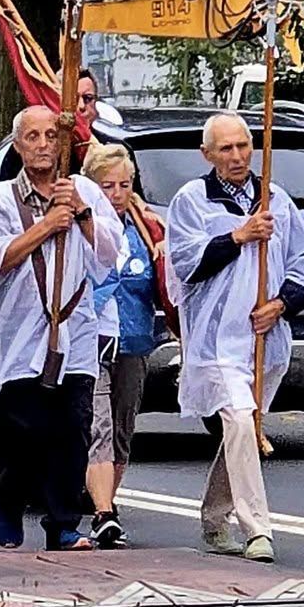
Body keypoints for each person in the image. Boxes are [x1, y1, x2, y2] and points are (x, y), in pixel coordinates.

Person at [0, 106, 120, 551]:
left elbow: (110, 252)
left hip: (76, 329)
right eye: (33, 136)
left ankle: (64, 523)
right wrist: (47, 225)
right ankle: (9, 502)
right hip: (19, 333)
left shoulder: (81, 190)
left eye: (51, 135)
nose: (44, 144)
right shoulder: (0, 200)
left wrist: (82, 214)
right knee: (20, 431)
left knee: (73, 428)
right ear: (19, 144)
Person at [166, 112, 304, 564]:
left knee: (245, 431)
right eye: (226, 149)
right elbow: (186, 263)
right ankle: (258, 528)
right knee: (237, 419)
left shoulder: (275, 199)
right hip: (217, 340)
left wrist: (282, 304)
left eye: (243, 146)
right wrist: (238, 235)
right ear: (207, 154)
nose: (237, 156)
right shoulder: (193, 200)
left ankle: (214, 517)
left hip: (263, 340)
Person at [82, 143, 171, 549]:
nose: (116, 193)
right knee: (97, 424)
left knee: (121, 428)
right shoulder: (83, 224)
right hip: (92, 338)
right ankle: (104, 513)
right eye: (107, 185)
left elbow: (162, 285)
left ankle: (107, 501)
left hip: (135, 338)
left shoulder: (145, 229)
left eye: (124, 184)